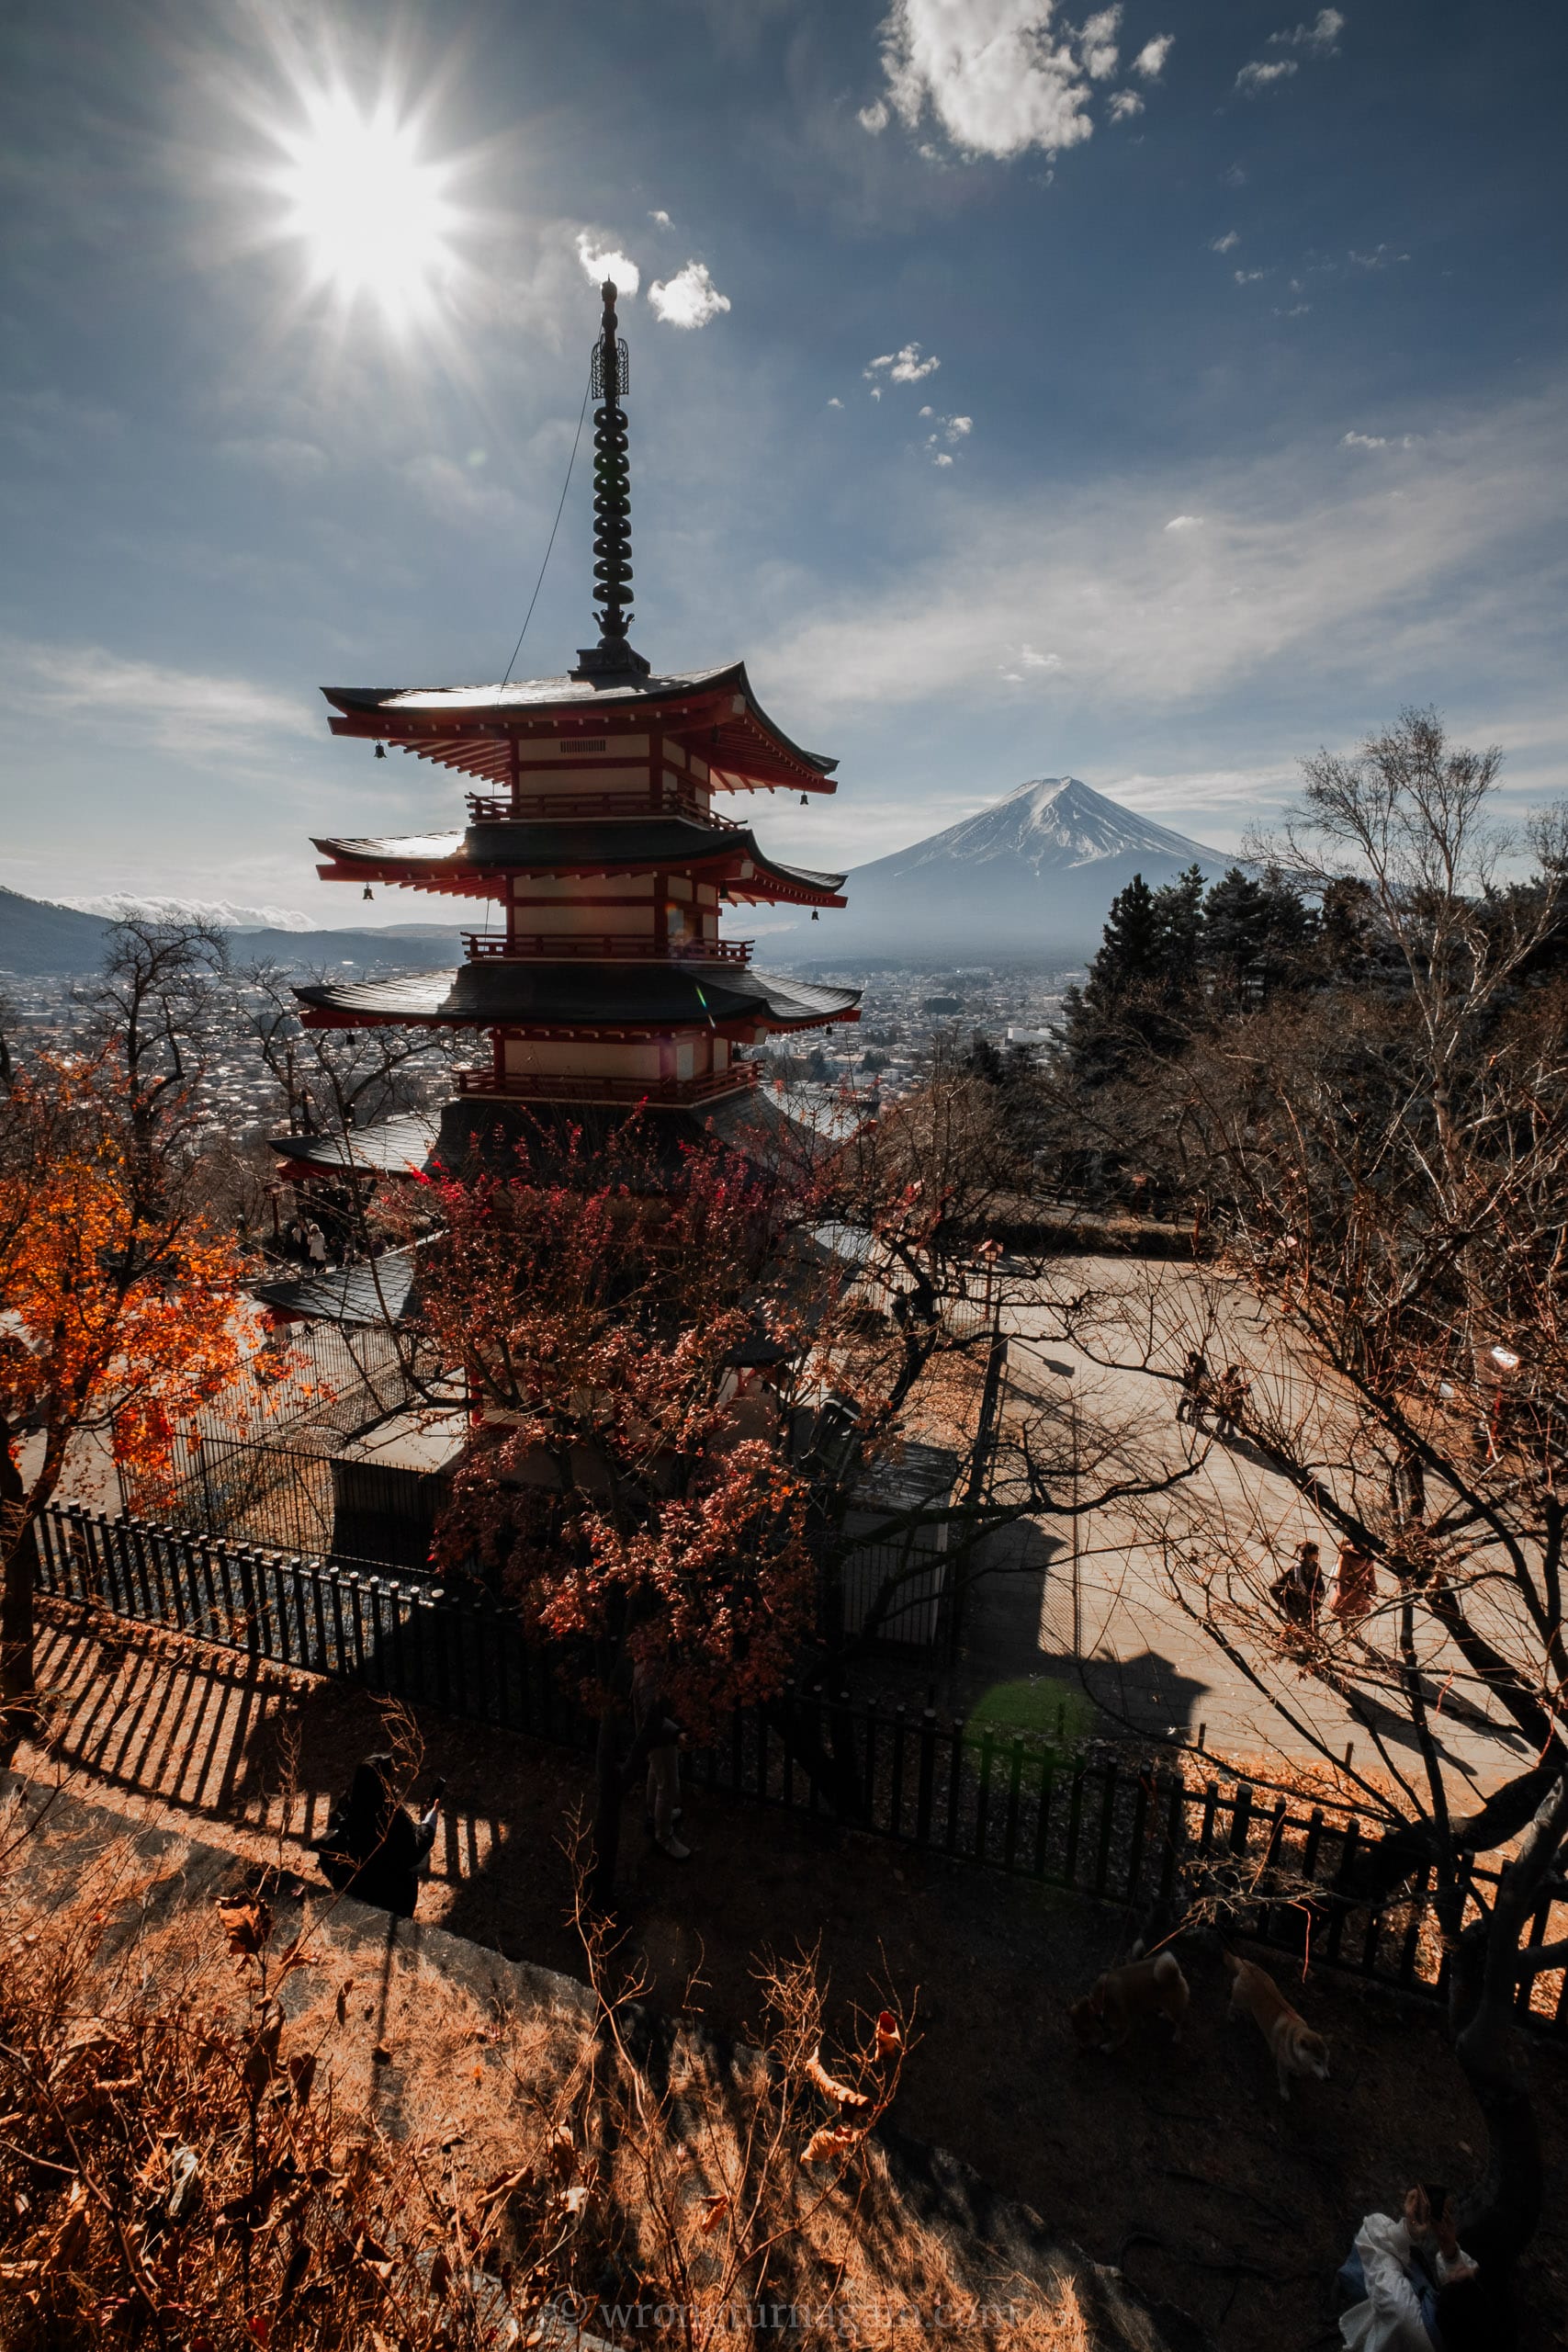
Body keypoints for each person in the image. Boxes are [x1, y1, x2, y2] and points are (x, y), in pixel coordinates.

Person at [1337, 2184, 1487, 2350]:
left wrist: (1407, 2231)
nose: (1466, 2268)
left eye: (1468, 2276)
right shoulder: (1454, 2332)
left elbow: (1371, 2237)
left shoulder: (1402, 2311)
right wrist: (1450, 2252)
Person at [312, 1754, 441, 1919]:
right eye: (392, 1773)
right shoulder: (389, 1814)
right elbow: (413, 1851)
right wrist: (429, 1822)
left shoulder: (347, 1806)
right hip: (390, 1895)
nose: (396, 1773)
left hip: (355, 1888)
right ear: (383, 1781)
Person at [632, 1657, 690, 1861]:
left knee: (657, 1774)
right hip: (659, 1737)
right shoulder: (649, 1671)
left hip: (658, 1735)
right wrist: (676, 1733)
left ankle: (655, 1816)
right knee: (668, 1785)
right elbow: (652, 1717)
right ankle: (664, 1836)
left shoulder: (650, 1660)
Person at [1272, 1539, 1325, 1636]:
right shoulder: (1298, 1566)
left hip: (1310, 1603)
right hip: (1296, 1602)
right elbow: (1299, 1583)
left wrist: (1320, 1593)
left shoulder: (1316, 1567)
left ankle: (1311, 1641)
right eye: (1316, 1553)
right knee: (1294, 1626)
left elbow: (1320, 1582)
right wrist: (1308, 1595)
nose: (1317, 1555)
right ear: (1308, 1554)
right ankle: (1288, 1639)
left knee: (1313, 1626)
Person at [1333, 1537, 1378, 1634]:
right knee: (1344, 1612)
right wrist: (1342, 1593)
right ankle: (1344, 1629)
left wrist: (1372, 1586)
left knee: (1359, 1612)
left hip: (1360, 1588)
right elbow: (1340, 1576)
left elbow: (1370, 1572)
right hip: (1347, 1587)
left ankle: (1352, 1628)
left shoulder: (1368, 1556)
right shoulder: (1346, 1555)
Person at [1176, 1351, 1209, 1428]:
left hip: (1189, 1385)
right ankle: (1187, 1418)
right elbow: (1200, 1376)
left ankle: (1181, 1415)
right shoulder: (1194, 1367)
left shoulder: (1189, 1366)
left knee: (1186, 1400)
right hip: (1193, 1386)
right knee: (1189, 1401)